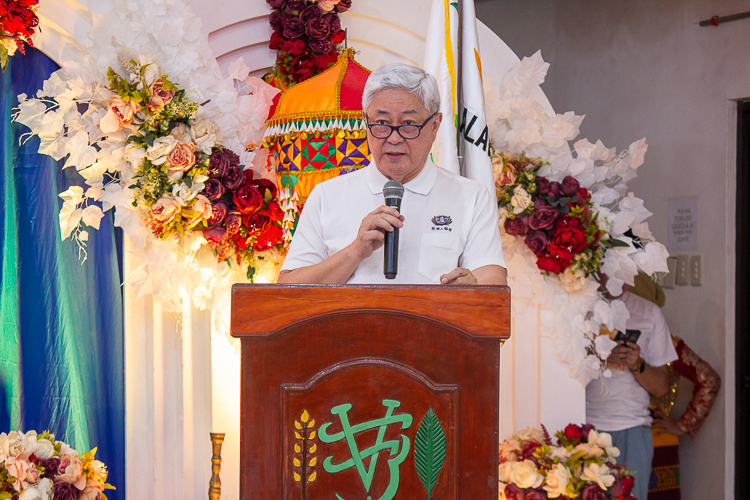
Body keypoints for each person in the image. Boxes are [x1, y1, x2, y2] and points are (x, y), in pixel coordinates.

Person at [277, 63, 507, 285]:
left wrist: (472, 291)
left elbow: (493, 286)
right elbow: (288, 290)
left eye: (408, 124)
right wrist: (355, 252)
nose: (394, 138)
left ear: (435, 126)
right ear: (366, 123)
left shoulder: (471, 197)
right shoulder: (326, 196)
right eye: (382, 123)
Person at [586, 275, 678, 500]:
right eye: (614, 269)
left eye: (626, 269)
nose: (620, 276)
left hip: (632, 427)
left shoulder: (649, 312)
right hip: (584, 425)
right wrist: (596, 357)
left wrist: (637, 364)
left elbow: (661, 388)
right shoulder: (580, 307)